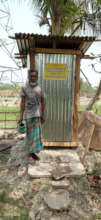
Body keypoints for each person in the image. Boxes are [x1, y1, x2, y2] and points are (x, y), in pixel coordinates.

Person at [18, 69, 45, 164]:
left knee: (36, 136)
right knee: (30, 135)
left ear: (37, 77)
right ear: (28, 76)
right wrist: (21, 116)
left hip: (37, 115)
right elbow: (22, 102)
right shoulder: (24, 88)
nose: (33, 77)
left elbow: (42, 101)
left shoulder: (40, 87)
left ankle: (33, 153)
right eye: (31, 76)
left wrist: (43, 114)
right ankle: (29, 154)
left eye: (34, 76)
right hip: (28, 115)